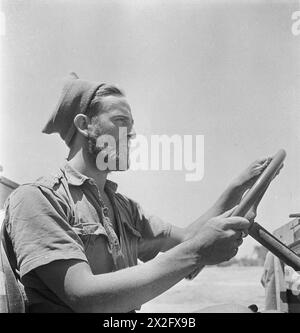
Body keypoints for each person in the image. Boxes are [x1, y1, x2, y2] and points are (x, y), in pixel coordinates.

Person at [3, 73, 270, 313]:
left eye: (131, 125)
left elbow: (188, 238)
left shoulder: (123, 208)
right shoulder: (37, 198)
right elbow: (83, 296)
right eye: (120, 121)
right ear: (84, 125)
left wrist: (237, 188)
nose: (131, 134)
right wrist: (195, 254)